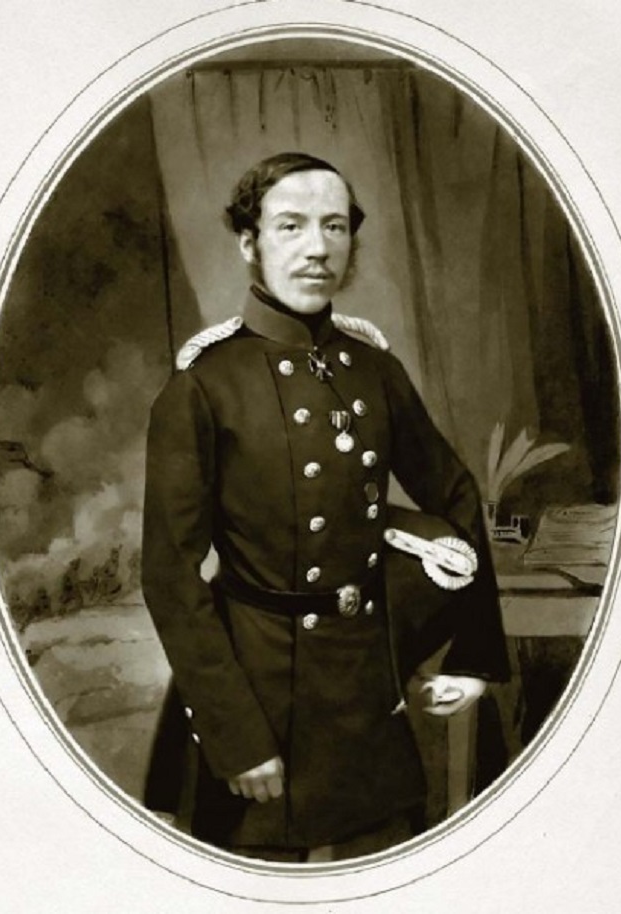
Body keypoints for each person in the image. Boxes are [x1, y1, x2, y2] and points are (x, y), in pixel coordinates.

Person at [141, 152, 509, 862]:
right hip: (257, 695)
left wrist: (473, 656)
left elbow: (455, 493)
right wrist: (235, 737)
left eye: (334, 226)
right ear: (248, 242)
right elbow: (170, 575)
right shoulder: (204, 384)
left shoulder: (373, 368)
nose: (317, 247)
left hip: (366, 690)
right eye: (291, 226)